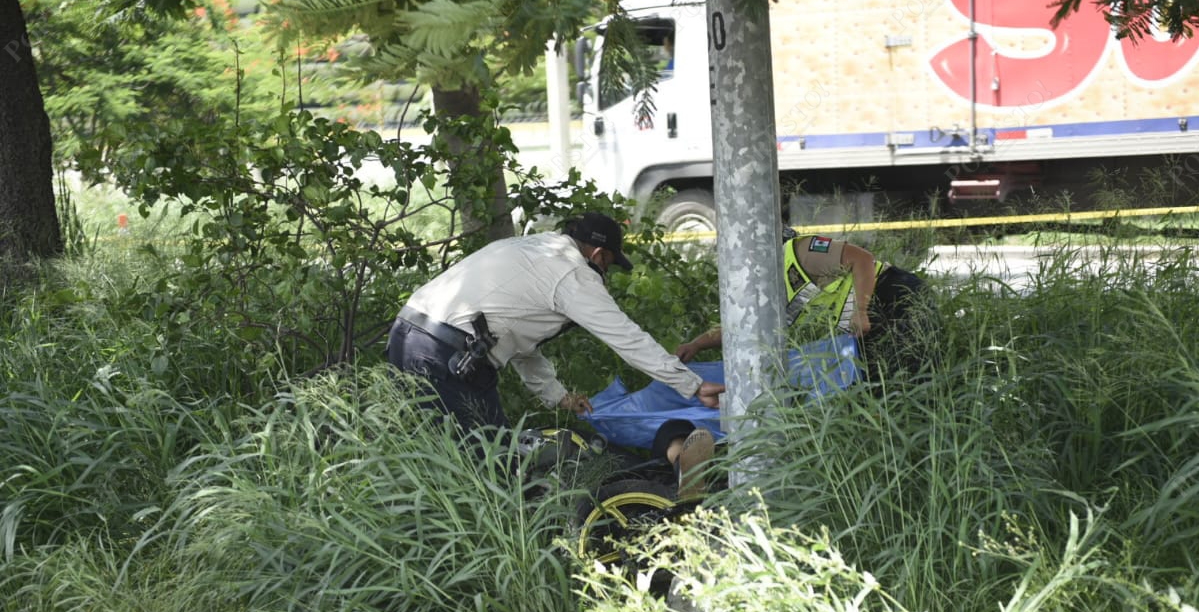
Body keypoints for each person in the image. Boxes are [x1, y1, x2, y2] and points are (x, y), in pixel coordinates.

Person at [386, 211, 725, 432]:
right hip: (445, 355)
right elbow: (626, 338)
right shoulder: (573, 274)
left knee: (445, 451)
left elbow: (518, 343)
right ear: (598, 255)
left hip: (408, 334)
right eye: (608, 265)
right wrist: (691, 385)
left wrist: (559, 397)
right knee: (490, 461)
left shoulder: (534, 248)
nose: (604, 274)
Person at [676, 230, 939, 382]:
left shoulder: (800, 250)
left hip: (894, 296)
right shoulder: (764, 290)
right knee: (879, 382)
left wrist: (860, 310)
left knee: (914, 376)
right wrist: (696, 345)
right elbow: (740, 328)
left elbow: (863, 260)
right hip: (866, 326)